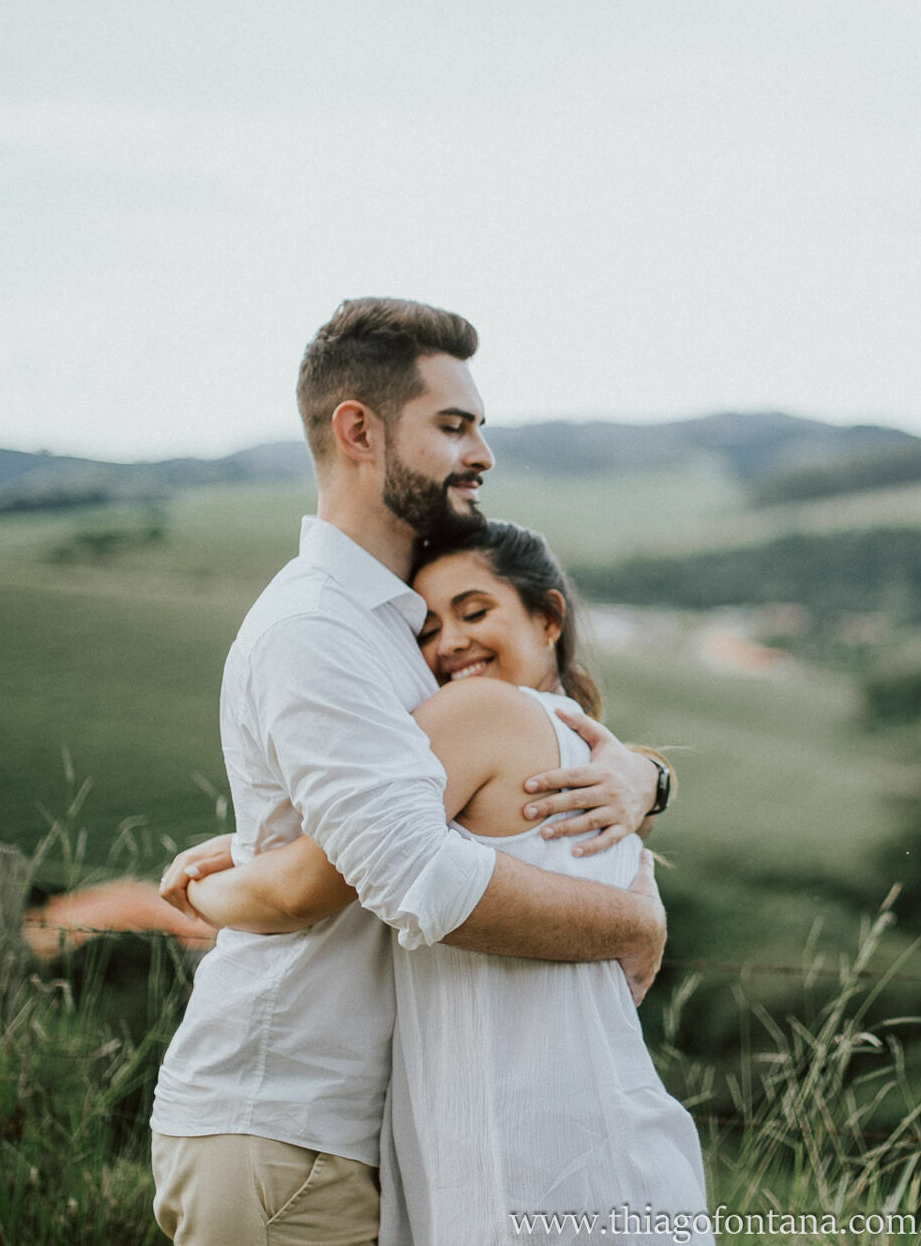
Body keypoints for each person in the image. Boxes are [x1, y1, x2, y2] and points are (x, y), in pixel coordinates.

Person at [149, 299, 672, 1246]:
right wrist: (631, 920)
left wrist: (643, 777)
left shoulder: (402, 637)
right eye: (454, 425)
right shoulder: (320, 631)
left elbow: (382, 820)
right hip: (288, 1121)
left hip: (371, 1132)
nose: (481, 454)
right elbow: (412, 875)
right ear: (360, 430)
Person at [182, 520, 710, 1245]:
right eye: (427, 630)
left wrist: (198, 889)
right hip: (604, 1141)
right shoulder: (588, 749)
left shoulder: (478, 711)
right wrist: (654, 778)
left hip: (520, 1154)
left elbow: (310, 878)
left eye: (474, 611)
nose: (448, 643)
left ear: (548, 617)